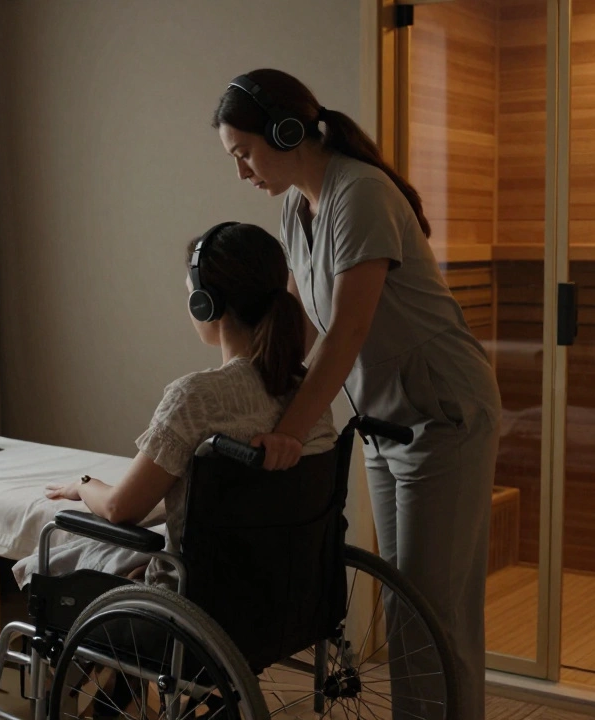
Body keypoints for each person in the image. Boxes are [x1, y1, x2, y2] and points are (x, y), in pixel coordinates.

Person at [213, 69, 503, 720]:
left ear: (287, 133)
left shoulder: (360, 194)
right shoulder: (297, 206)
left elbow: (347, 329)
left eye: (244, 154)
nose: (242, 173)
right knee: (406, 608)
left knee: (436, 612)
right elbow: (300, 327)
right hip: (384, 422)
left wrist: (290, 430)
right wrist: (246, 399)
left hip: (443, 415)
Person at [43, 221, 337, 587]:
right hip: (290, 591)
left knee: (51, 560)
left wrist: (84, 484)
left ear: (204, 304)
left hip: (202, 598)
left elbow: (121, 508)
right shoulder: (308, 398)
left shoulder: (196, 397)